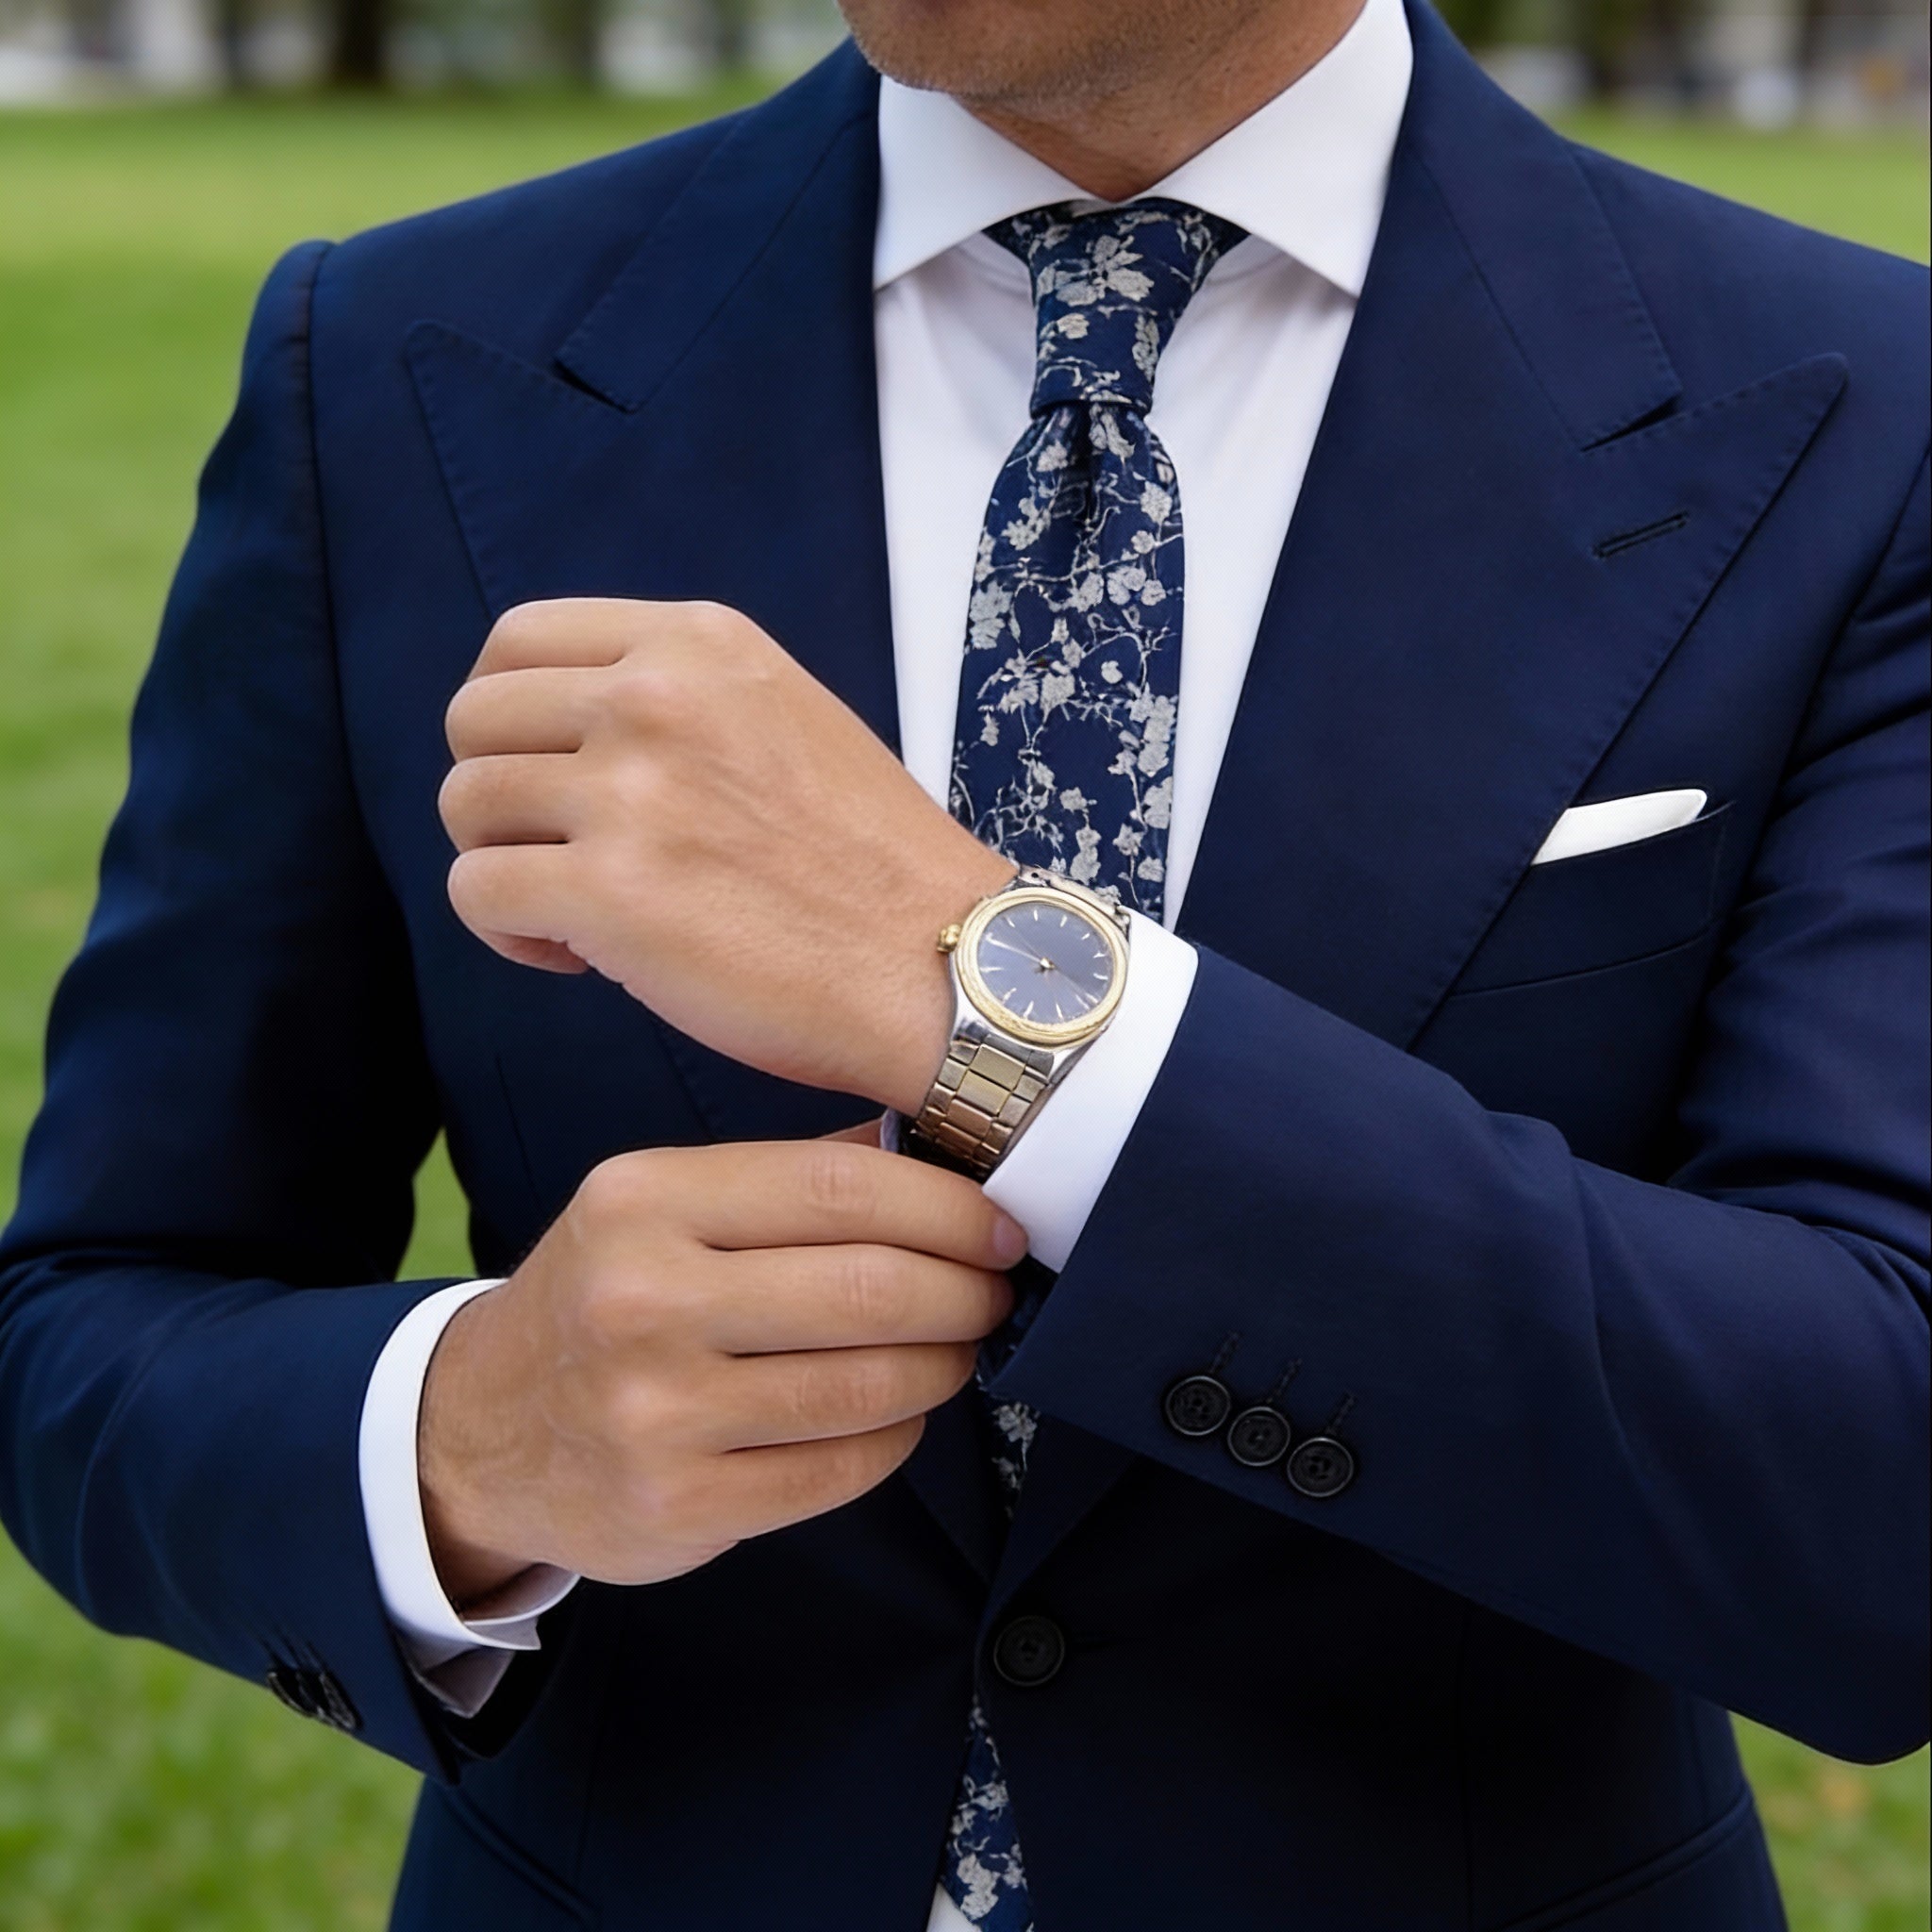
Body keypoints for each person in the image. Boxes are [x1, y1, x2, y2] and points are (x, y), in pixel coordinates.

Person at [1, 0, 1926, 1924]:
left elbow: (1877, 1503)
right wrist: (471, 1434)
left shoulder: (1867, 411)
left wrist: (1008, 1012)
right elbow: (95, 1324)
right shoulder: (402, 365)